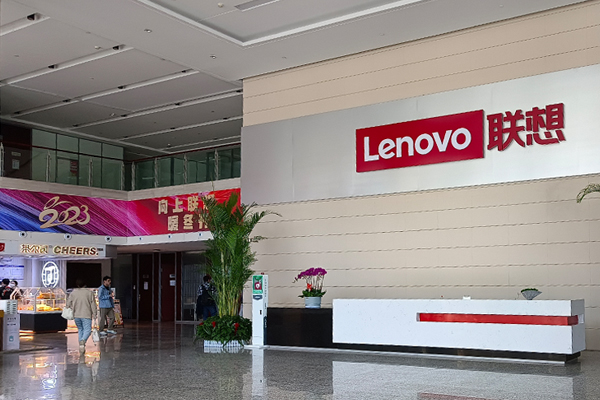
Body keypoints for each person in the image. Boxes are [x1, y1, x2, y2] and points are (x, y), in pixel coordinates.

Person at [67, 279, 97, 354]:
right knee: (87, 330)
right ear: (85, 284)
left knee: (80, 329)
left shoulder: (73, 293)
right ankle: (83, 341)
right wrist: (95, 314)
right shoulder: (89, 293)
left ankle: (81, 346)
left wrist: (72, 308)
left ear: (77, 285)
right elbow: (93, 304)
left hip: (76, 315)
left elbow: (68, 304)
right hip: (86, 314)